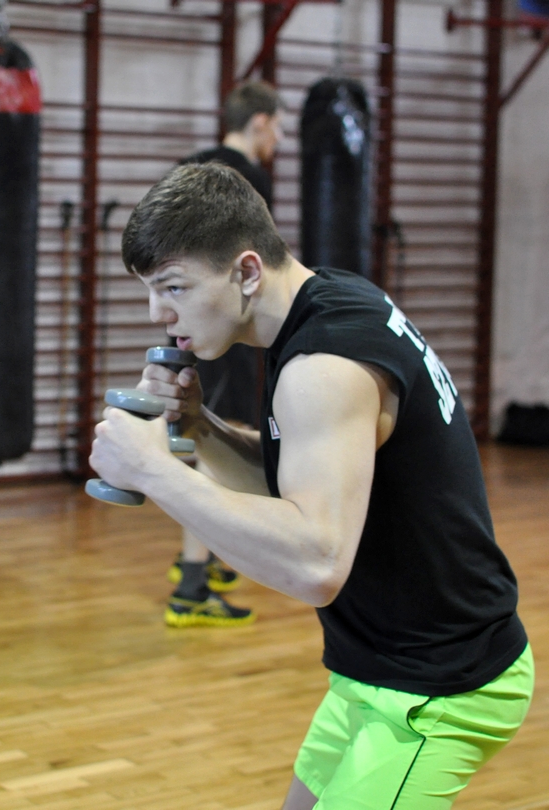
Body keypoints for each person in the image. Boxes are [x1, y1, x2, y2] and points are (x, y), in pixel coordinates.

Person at [90, 162, 534, 810]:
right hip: (372, 670)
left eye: (174, 287)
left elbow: (317, 563)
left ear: (246, 271)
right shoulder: (328, 300)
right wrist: (201, 428)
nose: (159, 313)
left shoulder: (323, 367)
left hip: (439, 686)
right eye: (151, 291)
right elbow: (290, 488)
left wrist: (153, 471)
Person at [165, 80, 283, 628]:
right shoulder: (248, 178)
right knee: (217, 442)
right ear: (259, 122)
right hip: (225, 329)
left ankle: (199, 560)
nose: (278, 139)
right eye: (278, 127)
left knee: (201, 435)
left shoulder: (192, 168)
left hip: (187, 325)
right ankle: (191, 583)